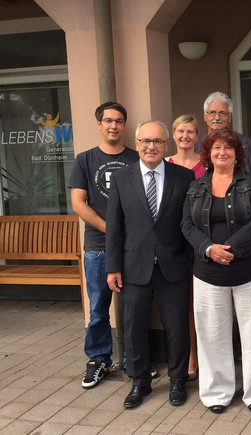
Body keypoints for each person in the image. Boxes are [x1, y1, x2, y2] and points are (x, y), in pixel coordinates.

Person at [181, 128, 251, 414]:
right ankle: (216, 394)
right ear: (208, 154)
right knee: (212, 335)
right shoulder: (197, 185)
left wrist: (231, 248)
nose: (222, 152)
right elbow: (186, 223)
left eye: (228, 148)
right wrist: (210, 249)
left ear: (237, 154)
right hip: (209, 273)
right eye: (216, 148)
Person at [106, 120, 194, 409]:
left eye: (157, 141)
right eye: (145, 141)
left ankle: (179, 379)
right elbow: (114, 228)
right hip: (133, 266)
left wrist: (192, 261)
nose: (151, 147)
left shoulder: (184, 177)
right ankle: (139, 381)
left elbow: (190, 223)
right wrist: (113, 267)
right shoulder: (122, 178)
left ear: (166, 145)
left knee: (177, 325)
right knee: (133, 327)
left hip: (174, 264)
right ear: (137, 144)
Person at [69, 102, 139, 389]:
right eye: (108, 120)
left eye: (119, 121)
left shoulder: (137, 158)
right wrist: (111, 230)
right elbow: (78, 204)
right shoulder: (85, 160)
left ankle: (135, 361)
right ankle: (98, 360)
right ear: (99, 124)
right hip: (99, 246)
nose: (113, 125)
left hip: (133, 246)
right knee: (99, 307)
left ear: (124, 125)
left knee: (136, 305)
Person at [167, 114, 203, 381]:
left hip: (201, 240)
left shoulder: (207, 163)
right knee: (185, 304)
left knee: (203, 304)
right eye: (180, 131)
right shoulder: (165, 164)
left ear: (197, 135)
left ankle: (206, 357)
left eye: (190, 131)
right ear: (173, 134)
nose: (185, 136)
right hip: (174, 242)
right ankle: (191, 356)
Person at [194, 91, 251, 178]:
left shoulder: (248, 145)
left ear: (229, 117)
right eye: (212, 112)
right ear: (205, 116)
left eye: (222, 113)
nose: (217, 117)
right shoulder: (195, 146)